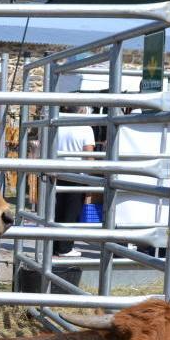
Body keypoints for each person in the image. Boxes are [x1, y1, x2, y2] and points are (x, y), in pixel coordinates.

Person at [51, 105, 95, 257]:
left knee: (57, 211)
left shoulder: (59, 126)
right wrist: (90, 180)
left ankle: (53, 246)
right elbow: (89, 155)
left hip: (57, 174)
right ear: (82, 110)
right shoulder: (86, 129)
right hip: (77, 175)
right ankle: (65, 248)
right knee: (71, 213)